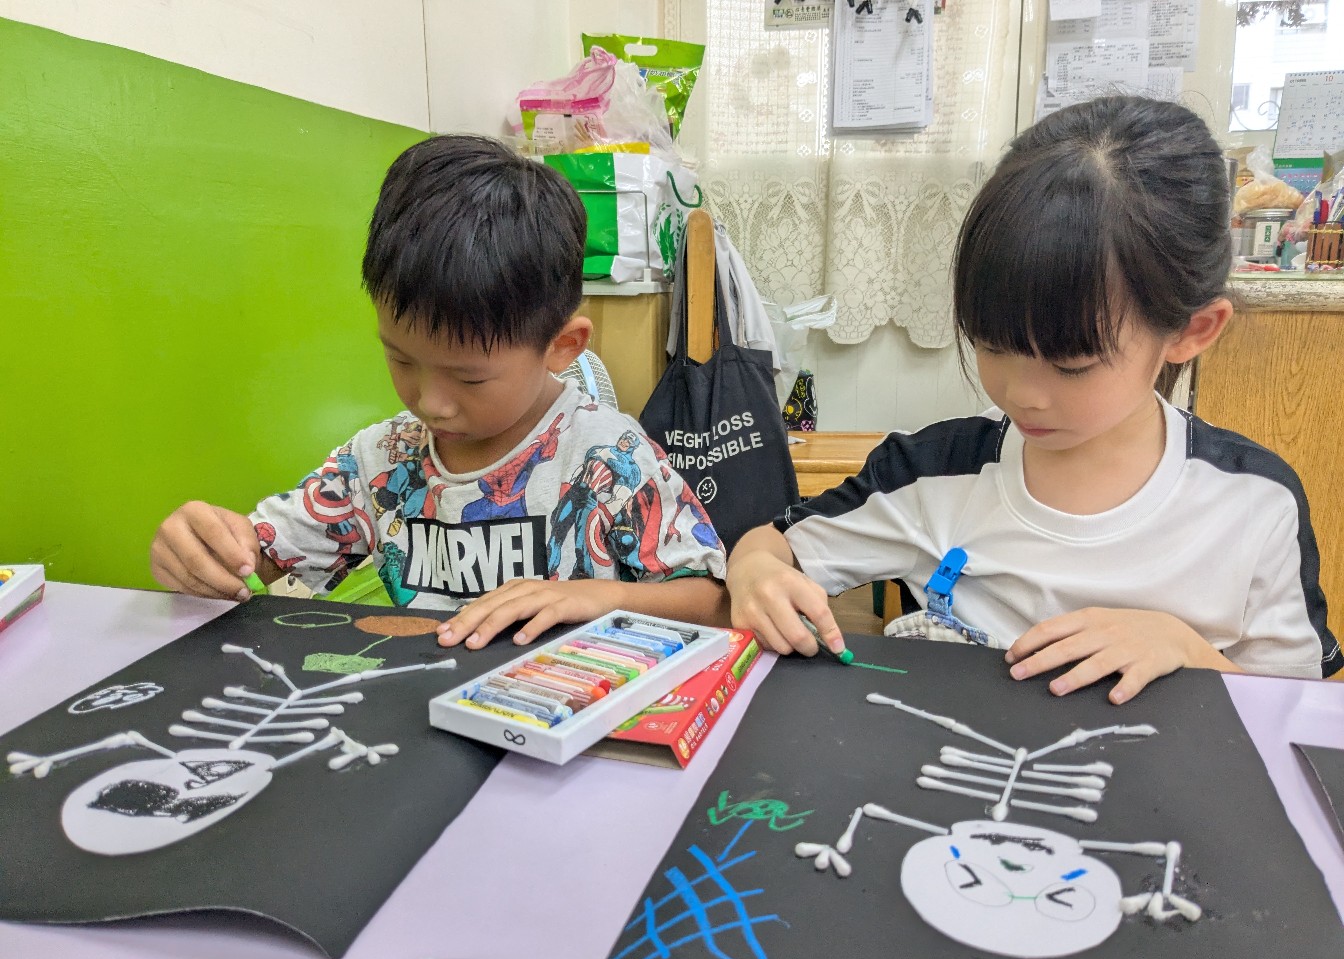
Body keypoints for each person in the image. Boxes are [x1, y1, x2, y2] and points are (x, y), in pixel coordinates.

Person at [726, 95, 1340, 704]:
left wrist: (1187, 650)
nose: (1021, 395)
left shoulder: (1254, 502)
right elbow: (775, 546)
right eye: (993, 346)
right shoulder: (933, 474)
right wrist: (753, 570)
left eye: (1072, 366)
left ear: (1190, 331)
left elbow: (1300, 709)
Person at [151, 134, 728, 648]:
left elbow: (711, 600)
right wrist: (207, 550)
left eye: (469, 377)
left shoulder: (608, 457)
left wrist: (598, 599)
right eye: (400, 359)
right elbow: (261, 555)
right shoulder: (380, 463)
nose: (430, 403)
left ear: (562, 346)